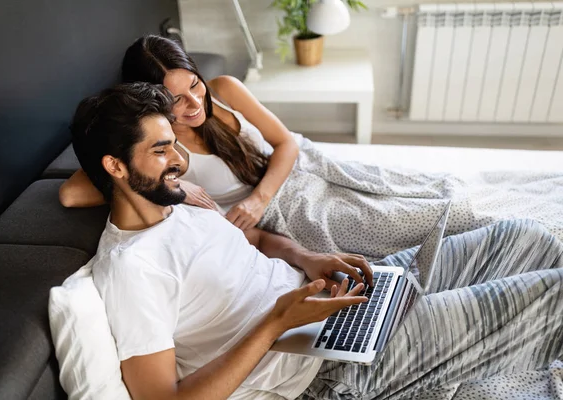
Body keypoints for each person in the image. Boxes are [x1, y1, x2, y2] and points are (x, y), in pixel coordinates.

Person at [72, 82, 563, 400]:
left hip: (328, 301)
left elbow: (257, 238)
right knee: (551, 296)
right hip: (319, 372)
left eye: (174, 143)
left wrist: (308, 258)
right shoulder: (131, 270)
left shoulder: (179, 204)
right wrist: (277, 322)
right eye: (160, 150)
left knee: (524, 236)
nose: (179, 159)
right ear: (115, 167)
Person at [61, 35, 299, 231]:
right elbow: (70, 194)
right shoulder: (158, 145)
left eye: (195, 84)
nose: (196, 103)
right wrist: (177, 186)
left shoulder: (225, 88)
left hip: (291, 175)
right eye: (177, 99)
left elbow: (286, 142)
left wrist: (259, 199)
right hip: (275, 216)